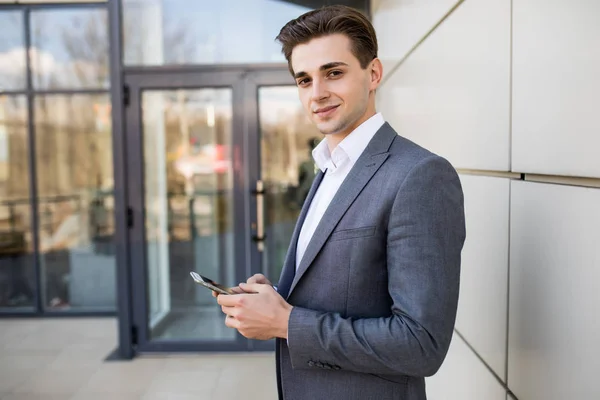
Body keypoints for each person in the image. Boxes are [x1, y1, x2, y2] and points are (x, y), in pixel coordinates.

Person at [214, 5, 466, 399]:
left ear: (374, 74)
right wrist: (277, 301)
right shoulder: (328, 168)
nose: (317, 94)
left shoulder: (420, 176)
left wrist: (286, 323)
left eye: (334, 72)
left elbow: (422, 345)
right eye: (303, 80)